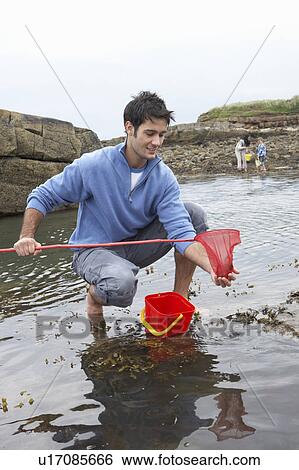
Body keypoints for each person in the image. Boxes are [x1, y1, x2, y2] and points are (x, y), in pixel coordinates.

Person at [14, 91, 238, 323]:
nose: (157, 142)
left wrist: (211, 266)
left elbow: (182, 234)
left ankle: (179, 301)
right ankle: (94, 296)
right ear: (129, 128)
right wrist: (26, 236)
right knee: (122, 287)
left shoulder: (163, 177)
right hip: (93, 252)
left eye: (162, 135)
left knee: (193, 213)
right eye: (150, 133)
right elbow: (43, 195)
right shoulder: (93, 165)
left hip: (135, 247)